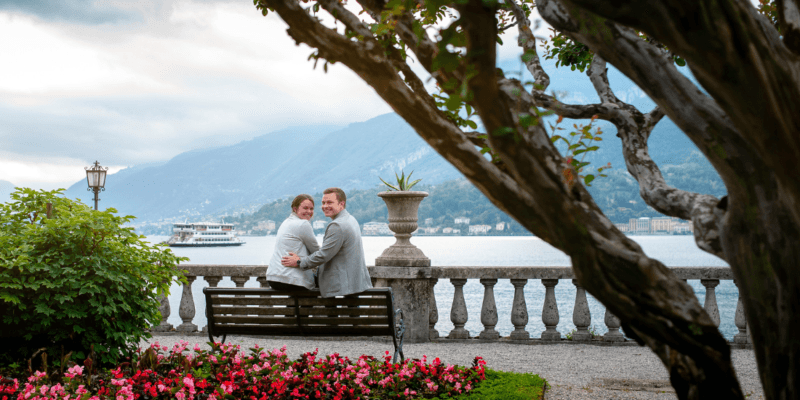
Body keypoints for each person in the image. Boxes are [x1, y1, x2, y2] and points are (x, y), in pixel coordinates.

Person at [281, 187, 372, 297]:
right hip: (355, 283)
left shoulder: (337, 225)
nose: (325, 206)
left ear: (341, 204)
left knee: (329, 312)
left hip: (342, 285)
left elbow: (323, 255)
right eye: (323, 202)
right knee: (352, 313)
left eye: (329, 202)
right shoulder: (351, 219)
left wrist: (300, 262)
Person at [266, 194, 320, 291]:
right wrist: (300, 261)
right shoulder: (303, 224)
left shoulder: (286, 222)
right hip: (290, 279)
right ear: (295, 209)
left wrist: (300, 259)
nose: (309, 212)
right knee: (325, 282)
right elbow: (317, 253)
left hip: (273, 278)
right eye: (305, 208)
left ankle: (292, 306)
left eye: (311, 209)